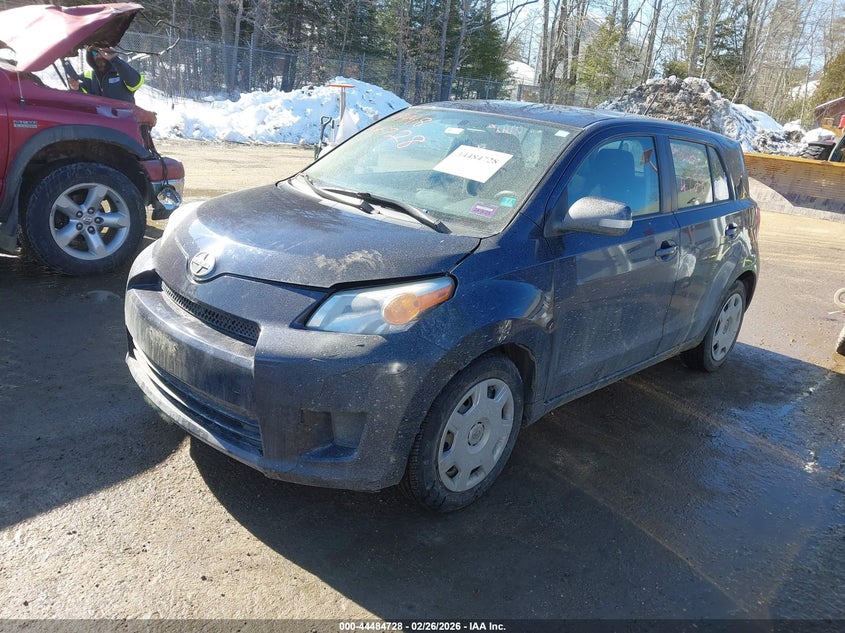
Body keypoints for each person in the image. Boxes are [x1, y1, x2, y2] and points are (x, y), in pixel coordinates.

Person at [62, 46, 144, 103]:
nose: (99, 55)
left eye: (101, 51)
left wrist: (114, 59)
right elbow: (80, 101)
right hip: (101, 122)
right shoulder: (87, 77)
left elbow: (136, 83)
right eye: (94, 52)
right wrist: (75, 88)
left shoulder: (121, 71)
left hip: (123, 121)